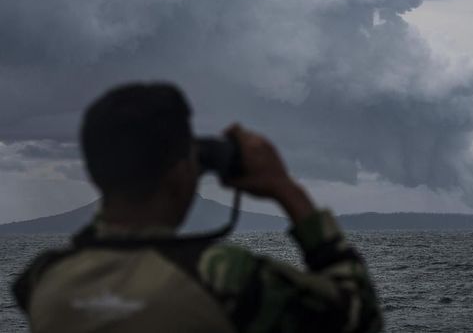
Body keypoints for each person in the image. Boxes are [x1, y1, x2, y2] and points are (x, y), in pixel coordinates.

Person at [13, 83, 383, 333]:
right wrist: (285, 188)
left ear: (96, 173)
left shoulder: (40, 280)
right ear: (179, 175)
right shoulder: (224, 277)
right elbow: (359, 315)